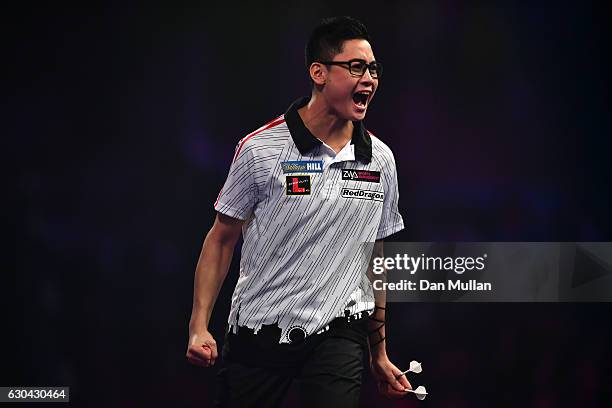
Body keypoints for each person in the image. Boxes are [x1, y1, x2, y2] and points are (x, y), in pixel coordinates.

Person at [186, 16, 411, 407]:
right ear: (318, 72)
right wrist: (198, 325)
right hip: (260, 329)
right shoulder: (260, 149)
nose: (369, 79)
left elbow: (375, 259)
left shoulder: (381, 160)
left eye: (373, 69)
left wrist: (379, 353)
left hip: (340, 333)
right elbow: (221, 240)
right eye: (356, 67)